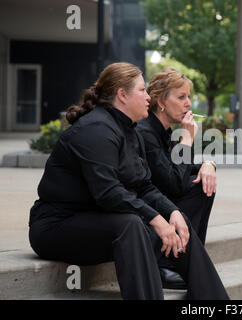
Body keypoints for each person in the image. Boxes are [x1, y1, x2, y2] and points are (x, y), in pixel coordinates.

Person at [28, 62, 229, 300]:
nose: (148, 97)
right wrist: (157, 220)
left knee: (177, 219)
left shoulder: (129, 131)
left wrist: (172, 212)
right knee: (131, 224)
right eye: (143, 90)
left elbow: (142, 186)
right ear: (122, 95)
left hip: (99, 220)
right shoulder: (95, 130)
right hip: (57, 227)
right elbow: (109, 192)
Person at [136, 68, 217, 289]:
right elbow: (175, 183)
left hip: (158, 204)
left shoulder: (162, 130)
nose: (188, 103)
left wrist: (209, 165)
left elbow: (183, 167)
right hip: (142, 212)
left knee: (204, 183)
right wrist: (187, 140)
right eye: (181, 97)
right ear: (161, 101)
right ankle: (165, 264)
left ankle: (188, 258)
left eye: (188, 97)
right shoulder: (146, 132)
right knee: (195, 187)